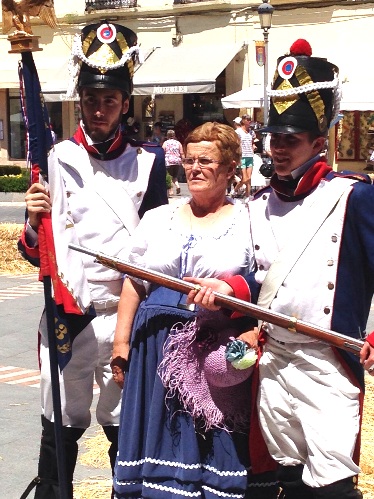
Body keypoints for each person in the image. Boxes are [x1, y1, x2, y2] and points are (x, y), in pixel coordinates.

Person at [185, 39, 374, 498]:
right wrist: (225, 285)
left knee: (331, 485)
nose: (280, 150)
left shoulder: (354, 196)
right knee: (287, 477)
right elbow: (262, 279)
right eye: (275, 139)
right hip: (273, 362)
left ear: (318, 139)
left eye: (292, 140)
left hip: (327, 364)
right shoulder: (259, 205)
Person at [18, 21, 168, 499]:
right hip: (70, 315)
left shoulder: (149, 164)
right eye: (89, 99)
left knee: (125, 427)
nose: (98, 109)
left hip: (126, 315)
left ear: (125, 103)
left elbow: (160, 245)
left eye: (109, 100)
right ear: (78, 100)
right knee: (58, 425)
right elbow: (34, 250)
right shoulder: (55, 157)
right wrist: (32, 218)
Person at [111, 122, 278, 499]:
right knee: (158, 439)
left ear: (231, 167)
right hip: (153, 348)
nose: (195, 168)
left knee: (210, 438)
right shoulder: (158, 218)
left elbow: (265, 286)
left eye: (207, 160)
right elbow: (134, 282)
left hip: (214, 348)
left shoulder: (249, 221)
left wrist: (252, 332)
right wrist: (121, 344)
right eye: (189, 160)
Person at [162, 129, 184, 196]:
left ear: (167, 136)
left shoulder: (166, 143)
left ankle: (171, 191)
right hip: (177, 161)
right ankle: (177, 186)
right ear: (174, 136)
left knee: (169, 176)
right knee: (175, 176)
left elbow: (163, 151)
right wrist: (183, 161)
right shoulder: (178, 143)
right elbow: (181, 152)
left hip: (168, 161)